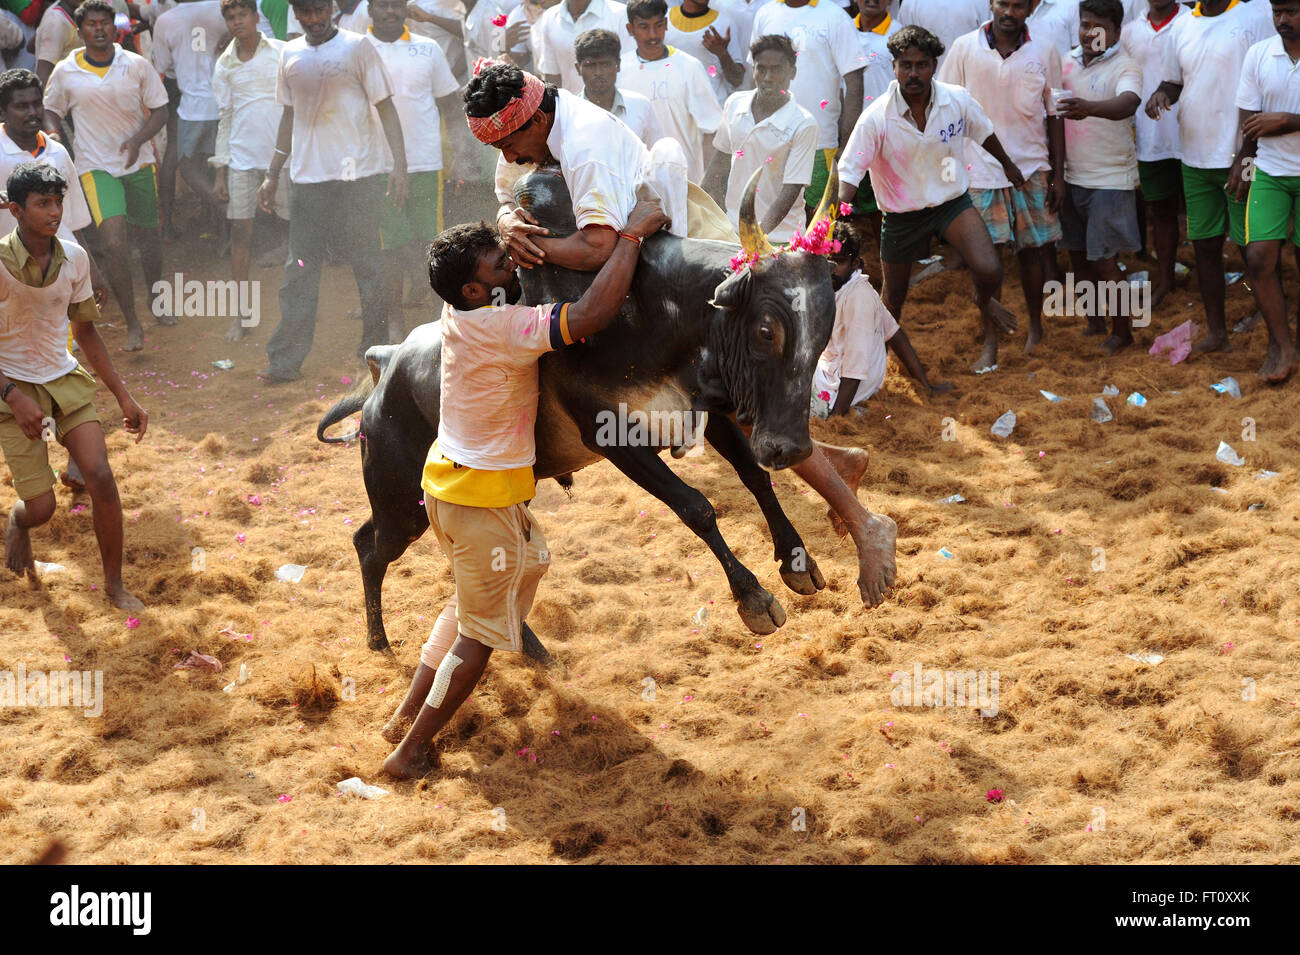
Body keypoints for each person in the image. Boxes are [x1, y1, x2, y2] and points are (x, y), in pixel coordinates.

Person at [380, 198, 670, 779]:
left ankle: (406, 713)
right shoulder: (506, 327)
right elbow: (589, 315)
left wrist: (510, 223)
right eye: (500, 269)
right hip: (483, 505)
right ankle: (409, 751)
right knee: (479, 636)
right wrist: (633, 236)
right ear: (471, 292)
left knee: (510, 577)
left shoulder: (460, 315)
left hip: (450, 490)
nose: (513, 271)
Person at [0, 161, 147, 610]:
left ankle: (114, 586)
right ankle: (19, 522)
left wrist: (124, 396)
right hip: (13, 396)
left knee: (101, 476)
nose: (54, 211)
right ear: (14, 210)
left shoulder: (76, 258)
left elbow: (85, 334)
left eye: (58, 201)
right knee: (42, 509)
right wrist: (12, 395)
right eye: (42, 203)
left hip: (64, 383)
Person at [838, 25, 1024, 374]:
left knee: (990, 268)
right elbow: (850, 172)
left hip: (950, 203)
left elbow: (984, 132)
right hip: (900, 214)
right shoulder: (876, 116)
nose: (913, 73)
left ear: (934, 66)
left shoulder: (957, 99)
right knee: (893, 299)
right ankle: (866, 370)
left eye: (921, 64)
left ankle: (988, 330)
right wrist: (838, 217)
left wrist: (1009, 165)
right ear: (893, 66)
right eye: (905, 64)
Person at [257, 0, 409, 383]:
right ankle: (285, 361)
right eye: (306, 12)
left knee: (367, 265)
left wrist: (399, 167)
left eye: (320, 10)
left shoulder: (358, 47)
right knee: (300, 270)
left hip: (360, 178)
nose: (314, 19)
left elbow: (386, 108)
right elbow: (288, 115)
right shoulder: (289, 53)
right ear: (296, 13)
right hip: (308, 180)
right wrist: (272, 173)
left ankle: (373, 351)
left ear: (331, 9)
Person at [474, 59, 733, 275]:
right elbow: (507, 199)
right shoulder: (531, 120)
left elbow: (597, 249)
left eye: (508, 145)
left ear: (539, 119)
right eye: (499, 148)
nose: (508, 157)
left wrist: (526, 244)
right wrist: (506, 221)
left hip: (694, 250)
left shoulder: (584, 148)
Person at [1145, 0, 1273, 356]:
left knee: (1254, 246)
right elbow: (1175, 81)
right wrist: (1161, 94)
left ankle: (1269, 323)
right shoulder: (1182, 26)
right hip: (1195, 156)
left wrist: (1248, 152)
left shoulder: (1254, 16)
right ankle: (1217, 332)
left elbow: (1265, 85)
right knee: (1205, 245)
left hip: (1244, 155)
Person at [939, 0, 1065, 354]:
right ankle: (990, 342)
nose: (1010, 12)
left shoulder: (1046, 50)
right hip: (979, 170)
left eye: (1019, 6)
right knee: (985, 261)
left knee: (1034, 253)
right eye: (1004, 3)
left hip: (1032, 167)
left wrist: (1059, 175)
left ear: (1030, 8)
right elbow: (945, 107)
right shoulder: (964, 48)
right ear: (991, 4)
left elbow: (1055, 114)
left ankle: (1036, 328)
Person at [44, 0, 169, 353]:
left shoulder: (136, 65)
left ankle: (157, 301)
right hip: (95, 167)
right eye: (91, 24)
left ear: (114, 29)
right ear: (81, 31)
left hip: (139, 163)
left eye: (104, 23)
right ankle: (132, 322)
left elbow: (160, 110)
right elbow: (51, 110)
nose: (98, 29)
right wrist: (53, 134)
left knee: (149, 239)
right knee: (114, 242)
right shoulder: (66, 71)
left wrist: (138, 139)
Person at [365, 0, 461, 329]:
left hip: (425, 162)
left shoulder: (428, 49)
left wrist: (459, 153)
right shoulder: (358, 51)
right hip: (377, 165)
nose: (390, 11)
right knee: (389, 243)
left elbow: (449, 103)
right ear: (370, 10)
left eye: (396, 5)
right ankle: (395, 319)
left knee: (431, 241)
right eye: (383, 5)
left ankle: (442, 320)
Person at [1057, 0, 1142, 353]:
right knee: (1077, 256)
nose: (1090, 33)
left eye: (1100, 27)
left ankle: (1123, 332)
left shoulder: (1126, 65)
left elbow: (1128, 103)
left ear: (1117, 32)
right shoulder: (1064, 63)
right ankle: (1095, 321)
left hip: (1110, 178)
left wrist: (1087, 108)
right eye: (1085, 24)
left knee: (1104, 260)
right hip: (1071, 176)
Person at [811, 229, 953, 418]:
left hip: (844, 385)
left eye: (839, 262)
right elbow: (895, 334)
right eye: (826, 261)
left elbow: (854, 368)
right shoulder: (850, 286)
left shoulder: (858, 299)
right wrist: (926, 385)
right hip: (842, 373)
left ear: (855, 264)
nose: (831, 269)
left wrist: (836, 417)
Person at [211, 0, 287, 343]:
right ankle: (242, 315)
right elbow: (225, 118)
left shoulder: (282, 53)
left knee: (295, 232)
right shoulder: (225, 64)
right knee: (240, 235)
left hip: (283, 159)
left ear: (256, 18)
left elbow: (294, 106)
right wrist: (220, 172)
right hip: (241, 160)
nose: (237, 21)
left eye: (243, 14)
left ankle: (293, 309)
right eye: (231, 16)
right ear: (226, 21)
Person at [1232, 0, 1300, 382]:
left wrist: (1289, 120)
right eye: (1277, 12)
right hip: (1271, 172)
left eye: (1291, 11)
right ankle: (1282, 345)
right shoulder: (1259, 53)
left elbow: (1273, 120)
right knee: (1258, 259)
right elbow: (1249, 121)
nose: (1282, 20)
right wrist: (1244, 164)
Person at [749, 0, 864, 213]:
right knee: (766, 217)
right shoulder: (765, 13)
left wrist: (847, 143)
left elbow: (854, 80)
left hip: (820, 144)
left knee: (817, 225)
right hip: (768, 143)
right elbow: (754, 74)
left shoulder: (835, 16)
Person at [704, 33, 817, 243]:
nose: (767, 77)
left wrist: (757, 237)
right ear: (753, 68)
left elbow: (790, 191)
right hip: (733, 232)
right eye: (761, 68)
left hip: (780, 237)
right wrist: (703, 211)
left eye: (777, 70)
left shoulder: (804, 123)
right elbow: (718, 165)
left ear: (792, 72)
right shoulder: (735, 104)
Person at [1121, 0, 1188, 308]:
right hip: (1151, 138)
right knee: (1161, 212)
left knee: (1202, 213)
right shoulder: (1130, 32)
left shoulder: (1192, 22)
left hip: (1197, 136)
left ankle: (1208, 277)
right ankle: (1166, 281)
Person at [619, 0, 720, 182]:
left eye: (658, 26)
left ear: (666, 25)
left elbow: (712, 130)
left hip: (685, 182)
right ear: (630, 29)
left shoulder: (689, 67)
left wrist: (708, 183)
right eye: (644, 27)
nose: (652, 35)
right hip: (634, 186)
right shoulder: (620, 70)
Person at [152, 0, 229, 235]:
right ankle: (223, 223)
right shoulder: (224, 9)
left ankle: (226, 211)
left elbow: (162, 65)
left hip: (193, 107)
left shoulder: (166, 20)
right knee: (219, 163)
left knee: (187, 167)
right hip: (225, 100)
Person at [574, 26, 662, 146]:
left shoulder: (641, 106)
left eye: (605, 64)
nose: (598, 72)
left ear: (618, 65)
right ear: (578, 68)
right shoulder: (568, 115)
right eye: (590, 65)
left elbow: (656, 156)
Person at [534, 0, 630, 94]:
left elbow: (628, 69)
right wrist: (555, 106)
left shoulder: (620, 14)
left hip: (614, 107)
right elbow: (552, 73)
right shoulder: (550, 17)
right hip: (570, 107)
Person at [664, 0, 744, 105]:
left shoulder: (725, 23)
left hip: (713, 111)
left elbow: (737, 80)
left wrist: (722, 54)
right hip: (675, 111)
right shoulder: (662, 20)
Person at [894, 0, 988, 69]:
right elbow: (903, 47)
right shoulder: (910, 3)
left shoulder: (981, 2)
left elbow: (988, 44)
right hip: (924, 86)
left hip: (968, 81)